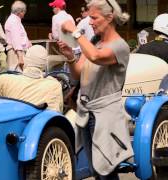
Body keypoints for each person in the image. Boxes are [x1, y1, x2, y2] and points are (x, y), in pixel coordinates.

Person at [57, 0, 133, 179]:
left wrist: (75, 32)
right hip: (86, 114)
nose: (90, 22)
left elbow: (95, 56)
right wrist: (69, 57)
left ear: (109, 17)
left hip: (106, 116)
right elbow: (78, 75)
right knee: (96, 171)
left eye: (94, 17)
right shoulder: (94, 42)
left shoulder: (120, 46)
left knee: (105, 170)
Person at [0, 45, 63, 112]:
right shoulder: (55, 85)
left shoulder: (7, 80)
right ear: (44, 65)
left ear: (25, 60)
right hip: (49, 135)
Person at [4, 1, 31, 72]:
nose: (24, 13)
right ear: (20, 12)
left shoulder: (15, 20)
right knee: (17, 75)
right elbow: (16, 40)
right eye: (24, 11)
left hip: (17, 52)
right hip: (15, 53)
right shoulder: (14, 21)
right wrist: (20, 57)